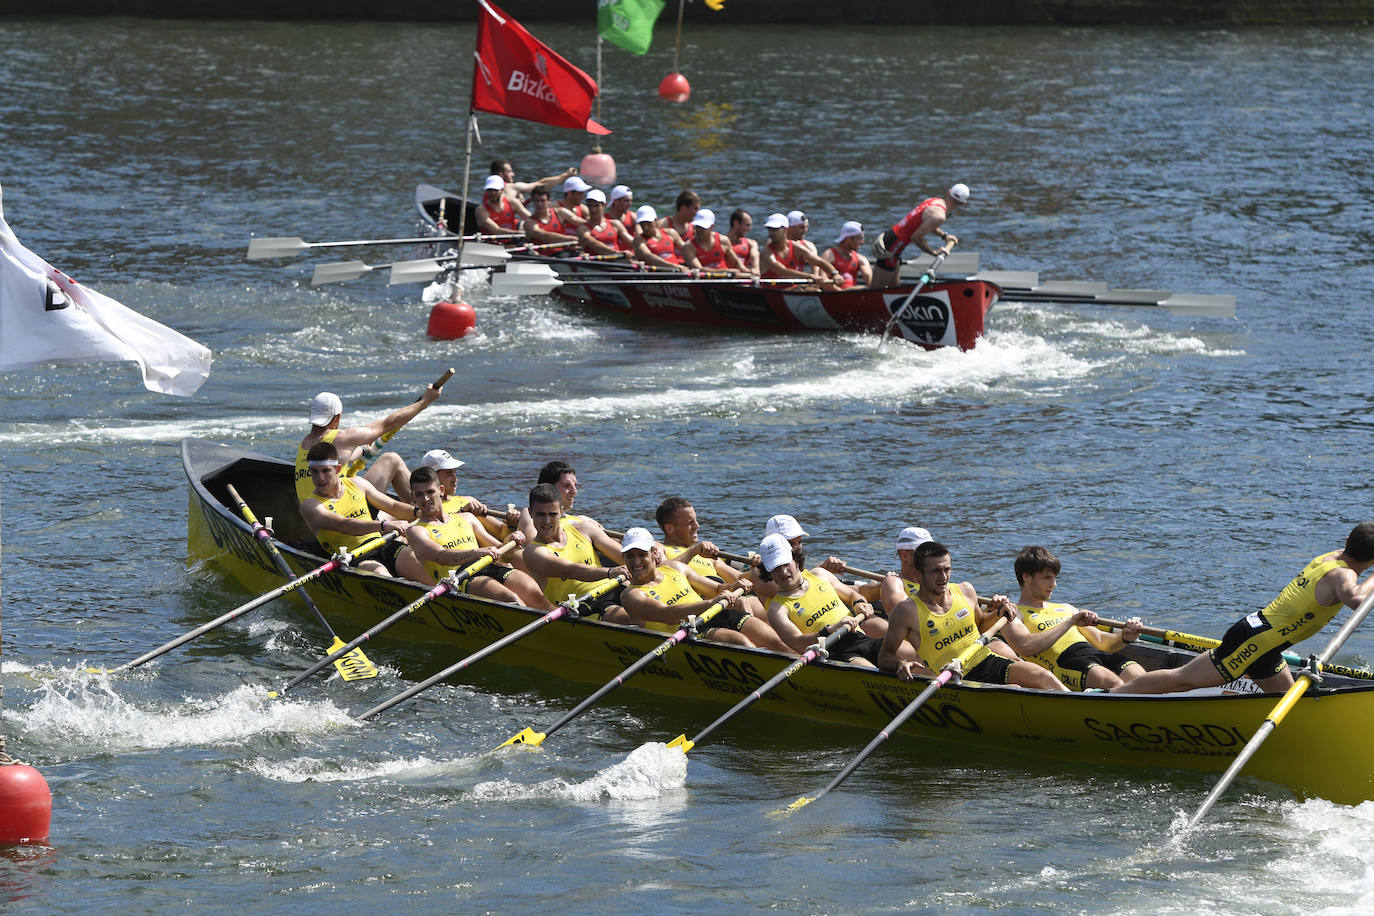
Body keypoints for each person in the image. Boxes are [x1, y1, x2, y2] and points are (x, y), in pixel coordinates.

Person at [1113, 523, 1374, 695]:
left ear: (1348, 540)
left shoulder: (1333, 555)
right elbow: (1356, 600)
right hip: (1256, 641)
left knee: (1284, 698)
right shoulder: (1343, 575)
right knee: (1182, 679)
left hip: (1264, 642)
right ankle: (1113, 696)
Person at [877, 541, 1068, 689]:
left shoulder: (965, 590)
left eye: (947, 569)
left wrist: (997, 613)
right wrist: (900, 664)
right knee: (1013, 689)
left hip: (985, 659)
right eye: (935, 571)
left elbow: (981, 626)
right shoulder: (906, 611)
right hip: (953, 675)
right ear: (918, 574)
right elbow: (885, 657)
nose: (943, 577)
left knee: (1043, 676)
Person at [395, 467, 550, 608]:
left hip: (491, 566)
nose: (425, 499)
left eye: (430, 492)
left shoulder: (467, 518)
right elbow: (440, 556)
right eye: (419, 494)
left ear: (441, 490)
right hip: (461, 579)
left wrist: (510, 539)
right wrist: (476, 553)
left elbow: (503, 554)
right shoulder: (416, 531)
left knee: (538, 597)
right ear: (413, 497)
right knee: (512, 599)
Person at [620, 527, 794, 653]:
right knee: (741, 642)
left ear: (652, 553)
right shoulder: (631, 595)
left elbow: (716, 588)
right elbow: (667, 615)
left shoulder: (675, 567)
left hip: (715, 612)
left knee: (776, 642)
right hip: (688, 630)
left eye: (641, 554)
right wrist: (710, 604)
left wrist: (734, 586)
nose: (636, 562)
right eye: (630, 556)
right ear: (624, 558)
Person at [759, 534, 910, 668]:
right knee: (874, 673)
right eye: (776, 568)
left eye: (786, 564)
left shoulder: (820, 574)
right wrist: (830, 630)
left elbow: (852, 595)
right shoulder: (777, 610)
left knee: (917, 655)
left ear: (796, 560)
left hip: (860, 637)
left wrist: (859, 603)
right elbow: (797, 642)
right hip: (835, 653)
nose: (783, 572)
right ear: (769, 573)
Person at [1013, 546, 1144, 690]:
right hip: (1067, 661)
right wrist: (1071, 622)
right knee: (1114, 684)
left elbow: (1101, 640)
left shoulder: (1067, 608)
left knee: (1142, 679)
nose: (1054, 584)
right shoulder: (1016, 612)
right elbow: (1027, 647)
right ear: (1027, 577)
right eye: (1047, 577)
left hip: (1096, 653)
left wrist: (1125, 637)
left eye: (1054, 578)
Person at [295, 381, 443, 503]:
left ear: (312, 415)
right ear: (337, 417)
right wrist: (425, 401)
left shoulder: (305, 444)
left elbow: (345, 455)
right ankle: (424, 507)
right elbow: (389, 423)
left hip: (313, 517)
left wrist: (362, 450)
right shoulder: (342, 437)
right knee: (391, 460)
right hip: (343, 511)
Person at [297, 441, 416, 576]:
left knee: (418, 562)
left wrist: (418, 512)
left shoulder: (357, 483)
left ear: (337, 469)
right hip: (357, 556)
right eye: (315, 472)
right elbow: (344, 524)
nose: (320, 478)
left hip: (384, 543)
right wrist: (384, 525)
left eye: (325, 471)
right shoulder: (310, 505)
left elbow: (393, 506)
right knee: (381, 574)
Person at [522, 483, 630, 620]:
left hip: (616, 588)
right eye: (541, 514)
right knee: (629, 618)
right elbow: (571, 570)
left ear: (561, 511)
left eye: (553, 514)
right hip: (582, 605)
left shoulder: (584, 529)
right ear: (531, 513)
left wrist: (650, 552)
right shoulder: (534, 552)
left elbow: (624, 556)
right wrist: (610, 572)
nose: (547, 521)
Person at [872, 182, 969, 289]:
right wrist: (934, 252)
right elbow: (916, 237)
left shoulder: (932, 200)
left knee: (894, 287)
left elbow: (926, 225)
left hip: (891, 238)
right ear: (963, 204)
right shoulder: (940, 216)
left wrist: (944, 236)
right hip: (892, 247)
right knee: (875, 290)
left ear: (948, 192)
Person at [655, 496, 741, 583]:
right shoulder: (659, 547)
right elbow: (664, 573)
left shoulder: (705, 553)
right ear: (670, 528)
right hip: (699, 592)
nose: (697, 525)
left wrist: (754, 568)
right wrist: (693, 552)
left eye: (696, 520)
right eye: (690, 522)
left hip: (722, 590)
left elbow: (739, 577)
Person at [759, 213, 842, 289]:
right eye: (770, 229)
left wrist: (835, 273)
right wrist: (811, 276)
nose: (771, 233)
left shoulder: (796, 247)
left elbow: (819, 262)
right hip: (773, 291)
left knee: (815, 291)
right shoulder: (766, 252)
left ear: (785, 230)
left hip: (792, 289)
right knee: (803, 290)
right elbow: (783, 272)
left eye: (775, 229)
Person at [681, 209, 748, 276]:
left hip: (726, 280)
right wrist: (726, 271)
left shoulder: (723, 240)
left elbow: (736, 263)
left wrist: (750, 273)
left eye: (703, 227)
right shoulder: (688, 247)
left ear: (712, 227)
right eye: (697, 226)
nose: (699, 230)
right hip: (704, 282)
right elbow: (699, 270)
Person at [491, 159, 576, 205]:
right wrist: (566, 175)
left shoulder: (489, 190)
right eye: (509, 172)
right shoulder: (511, 187)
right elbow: (541, 184)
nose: (513, 174)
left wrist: (528, 201)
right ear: (501, 174)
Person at [577, 189, 634, 256]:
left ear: (604, 205)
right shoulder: (583, 229)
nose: (593, 210)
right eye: (590, 206)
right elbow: (593, 243)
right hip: (595, 264)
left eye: (596, 205)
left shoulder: (615, 224)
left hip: (617, 261)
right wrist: (617, 254)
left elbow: (633, 243)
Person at [632, 205, 689, 271]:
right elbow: (648, 257)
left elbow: (686, 250)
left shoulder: (670, 232)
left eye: (648, 223)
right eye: (642, 224)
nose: (645, 227)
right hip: (657, 275)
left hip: (677, 272)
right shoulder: (639, 240)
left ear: (656, 220)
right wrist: (674, 266)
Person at [824, 221, 872, 289]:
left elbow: (870, 284)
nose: (862, 242)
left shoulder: (861, 259)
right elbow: (822, 279)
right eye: (860, 238)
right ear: (848, 239)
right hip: (833, 295)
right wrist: (839, 291)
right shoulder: (829, 254)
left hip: (853, 294)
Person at [726, 209, 760, 276]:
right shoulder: (722, 243)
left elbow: (756, 268)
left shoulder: (752, 244)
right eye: (747, 225)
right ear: (736, 223)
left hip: (745, 280)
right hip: (726, 280)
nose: (749, 229)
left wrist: (754, 270)